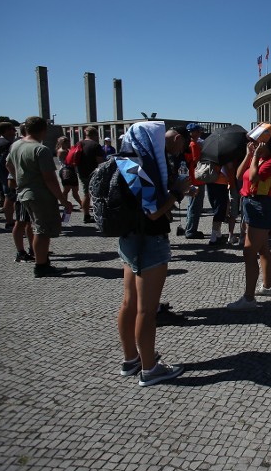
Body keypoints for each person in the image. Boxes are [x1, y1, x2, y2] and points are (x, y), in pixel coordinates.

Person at [115, 122, 191, 386]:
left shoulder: (124, 159)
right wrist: (177, 192)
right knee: (146, 310)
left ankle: (131, 359)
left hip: (129, 237)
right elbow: (154, 210)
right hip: (148, 238)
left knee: (129, 303)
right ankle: (150, 369)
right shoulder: (138, 165)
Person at [5, 117, 72, 278]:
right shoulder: (40, 149)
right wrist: (63, 200)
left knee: (36, 227)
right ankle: (41, 265)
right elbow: (49, 178)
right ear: (44, 130)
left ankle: (42, 261)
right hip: (39, 194)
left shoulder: (16, 145)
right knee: (42, 230)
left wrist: (20, 178)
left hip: (24, 193)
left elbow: (8, 164)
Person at [227, 135, 271, 310]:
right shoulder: (257, 157)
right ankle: (267, 287)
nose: (252, 144)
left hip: (260, 204)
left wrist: (255, 156)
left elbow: (253, 178)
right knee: (263, 248)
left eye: (255, 142)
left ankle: (248, 298)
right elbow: (238, 175)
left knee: (249, 253)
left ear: (265, 144)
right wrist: (248, 154)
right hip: (251, 203)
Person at [9, 124, 36, 263]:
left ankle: (33, 248)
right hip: (25, 190)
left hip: (26, 189)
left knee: (30, 222)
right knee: (21, 222)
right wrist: (18, 179)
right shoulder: (20, 145)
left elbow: (8, 164)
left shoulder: (18, 145)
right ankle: (21, 251)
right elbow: (8, 165)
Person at [182, 123, 206, 239]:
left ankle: (189, 227)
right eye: (198, 131)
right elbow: (197, 161)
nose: (200, 133)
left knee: (191, 205)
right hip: (196, 180)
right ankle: (191, 230)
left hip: (190, 179)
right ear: (192, 132)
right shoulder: (194, 145)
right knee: (195, 207)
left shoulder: (186, 144)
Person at [77, 127, 104, 223]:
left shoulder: (79, 143)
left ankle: (86, 214)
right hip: (93, 173)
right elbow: (100, 162)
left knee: (86, 194)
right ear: (95, 135)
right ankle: (98, 214)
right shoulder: (95, 145)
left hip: (81, 172)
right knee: (96, 194)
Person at [0, 122, 18, 229]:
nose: (14, 131)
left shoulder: (0, 141)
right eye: (12, 129)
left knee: (9, 197)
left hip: (4, 174)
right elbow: (6, 162)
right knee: (10, 197)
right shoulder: (6, 144)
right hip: (8, 175)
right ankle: (10, 222)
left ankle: (10, 221)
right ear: (6, 131)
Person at [55, 136, 82, 207]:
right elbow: (69, 159)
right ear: (61, 143)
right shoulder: (62, 151)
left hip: (71, 170)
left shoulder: (67, 150)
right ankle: (64, 203)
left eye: (68, 141)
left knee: (75, 189)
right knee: (67, 189)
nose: (67, 143)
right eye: (65, 142)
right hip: (65, 170)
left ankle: (81, 203)